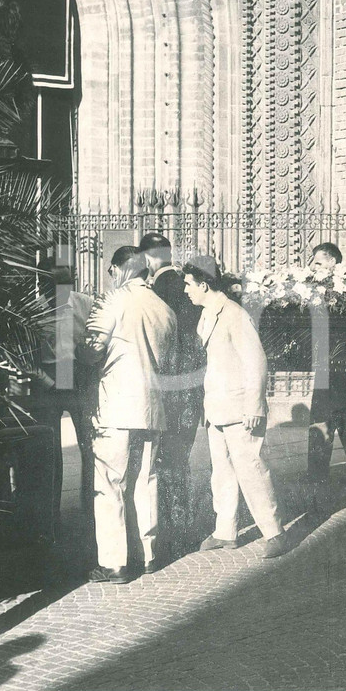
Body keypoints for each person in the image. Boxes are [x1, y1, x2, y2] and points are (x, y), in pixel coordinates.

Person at [80, 246, 178, 583]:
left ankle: (114, 562)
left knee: (109, 484)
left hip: (114, 406)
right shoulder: (164, 309)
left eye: (111, 272)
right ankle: (148, 555)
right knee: (145, 482)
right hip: (153, 407)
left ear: (119, 269)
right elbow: (169, 362)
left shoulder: (112, 300)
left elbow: (91, 351)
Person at [183, 256, 292, 559]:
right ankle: (225, 532)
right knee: (221, 472)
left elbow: (256, 361)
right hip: (217, 407)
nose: (185, 290)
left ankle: (274, 532)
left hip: (240, 408)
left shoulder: (233, 314)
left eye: (188, 284)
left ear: (204, 284)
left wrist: (255, 405)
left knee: (252, 469)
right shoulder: (207, 313)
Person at [138, 232, 204, 559]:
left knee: (167, 462)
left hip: (170, 389)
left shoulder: (158, 291)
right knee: (178, 461)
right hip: (191, 387)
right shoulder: (183, 285)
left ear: (149, 258)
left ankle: (172, 533)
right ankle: (181, 528)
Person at [29, 259, 96, 536]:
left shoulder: (85, 303)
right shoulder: (31, 309)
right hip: (48, 383)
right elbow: (25, 352)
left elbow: (93, 340)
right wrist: (46, 381)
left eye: (65, 284)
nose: (60, 291)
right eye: (53, 285)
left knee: (91, 447)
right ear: (42, 284)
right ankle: (49, 517)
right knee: (49, 452)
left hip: (78, 380)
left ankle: (92, 509)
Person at [304, 243, 346, 513]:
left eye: (318, 263)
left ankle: (319, 488)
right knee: (344, 420)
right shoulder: (318, 289)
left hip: (338, 367)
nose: (313, 268)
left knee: (327, 423)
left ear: (332, 264)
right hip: (328, 367)